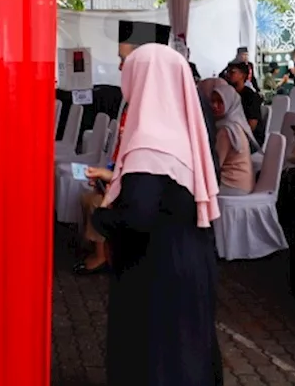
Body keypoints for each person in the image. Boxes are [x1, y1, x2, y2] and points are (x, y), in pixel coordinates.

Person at [85, 44, 223, 386]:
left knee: (158, 360)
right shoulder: (189, 133)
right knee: (189, 354)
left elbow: (137, 218)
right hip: (192, 258)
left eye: (127, 68)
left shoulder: (149, 138)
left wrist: (101, 219)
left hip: (157, 270)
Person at [76, 19, 177, 275]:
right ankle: (104, 253)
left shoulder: (162, 108)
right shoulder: (135, 101)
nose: (121, 67)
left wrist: (114, 179)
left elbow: (156, 172)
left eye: (126, 60)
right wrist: (110, 174)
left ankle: (107, 255)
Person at [203, 78, 259, 195]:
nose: (214, 106)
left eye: (220, 102)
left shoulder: (226, 130)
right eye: (212, 101)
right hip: (244, 184)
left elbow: (215, 165)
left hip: (232, 185)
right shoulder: (236, 124)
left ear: (230, 103)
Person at [224, 61, 264, 144]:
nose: (228, 75)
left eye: (232, 72)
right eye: (227, 72)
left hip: (251, 139)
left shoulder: (251, 96)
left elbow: (251, 126)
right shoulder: (230, 94)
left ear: (243, 75)